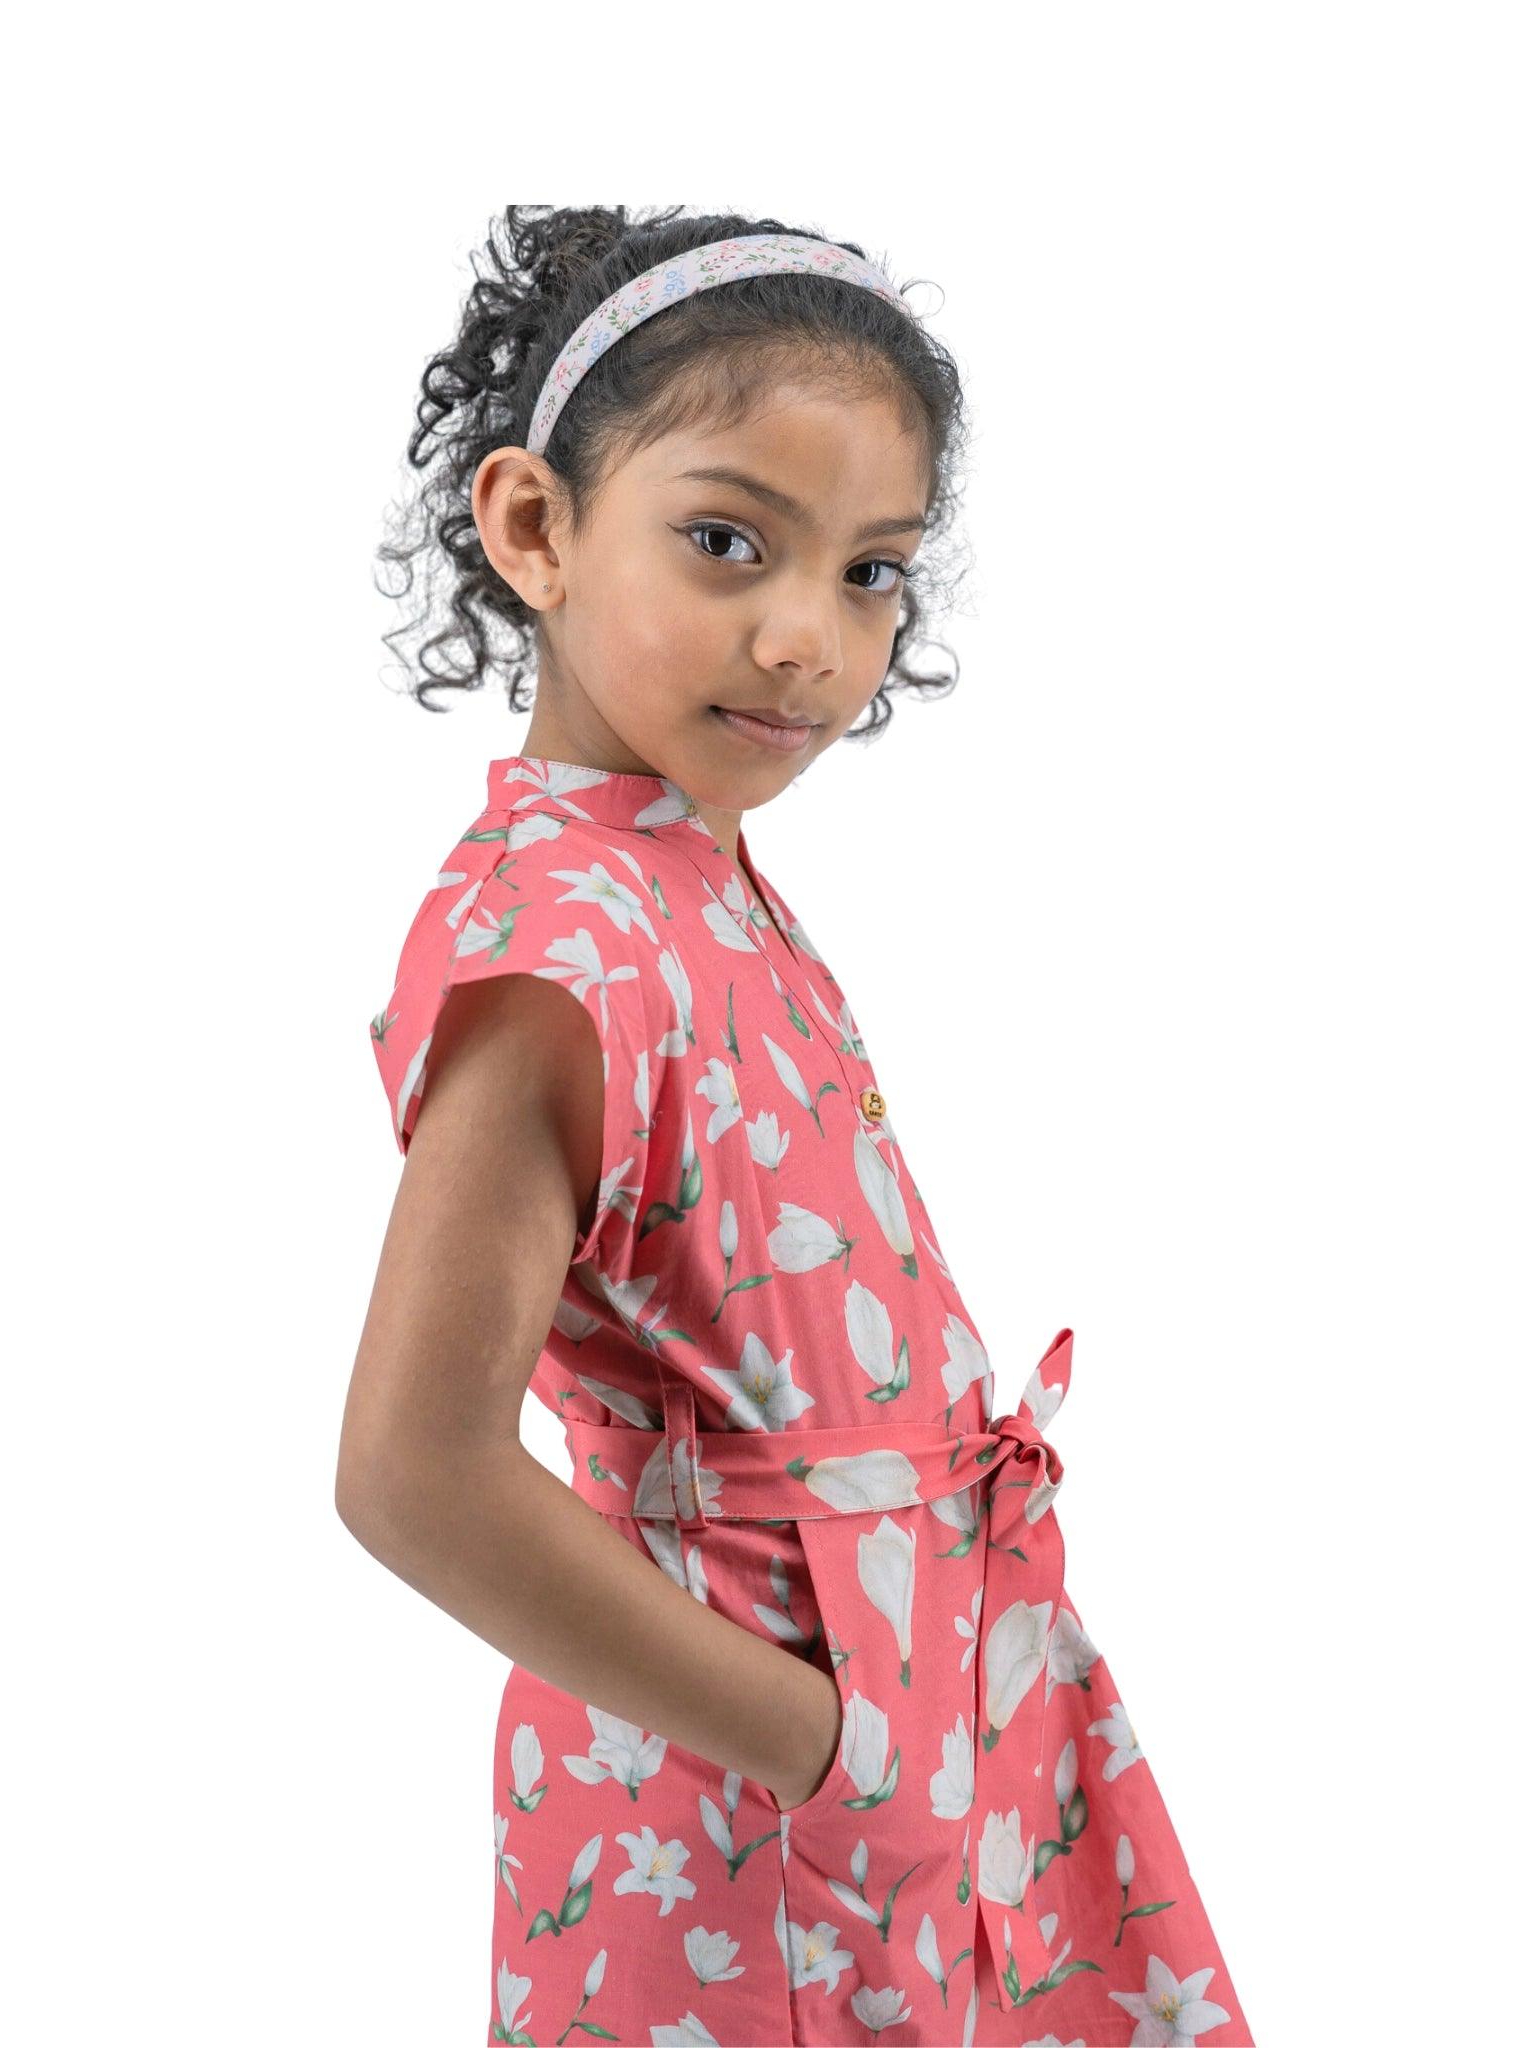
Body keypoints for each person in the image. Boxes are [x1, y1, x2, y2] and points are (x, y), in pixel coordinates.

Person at [338, 206, 1254, 2048]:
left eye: (870, 573)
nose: (807, 640)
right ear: (535, 528)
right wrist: (815, 1740)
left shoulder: (688, 882)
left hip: (916, 1705)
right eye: (728, 540)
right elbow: (412, 1474)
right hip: (743, 1798)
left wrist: (918, 1706)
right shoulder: (561, 943)